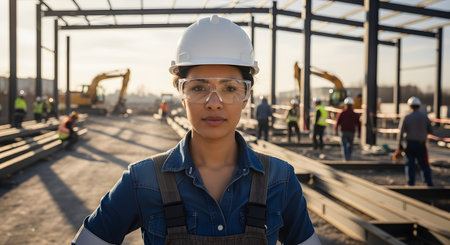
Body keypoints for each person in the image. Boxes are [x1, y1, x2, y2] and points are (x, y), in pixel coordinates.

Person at [72, 15, 319, 245]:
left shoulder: (280, 180)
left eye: (229, 88)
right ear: (182, 95)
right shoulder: (143, 180)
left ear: (246, 97)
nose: (214, 102)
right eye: (199, 88)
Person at [397, 97, 433, 186]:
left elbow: (400, 133)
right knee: (424, 165)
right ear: (419, 106)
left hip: (410, 145)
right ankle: (428, 184)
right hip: (421, 145)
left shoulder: (406, 117)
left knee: (410, 165)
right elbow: (431, 131)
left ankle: (410, 184)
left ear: (410, 106)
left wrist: (399, 146)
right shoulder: (425, 117)